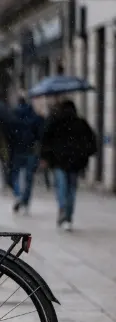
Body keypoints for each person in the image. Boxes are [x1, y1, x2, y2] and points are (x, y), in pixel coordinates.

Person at [40, 99, 97, 231]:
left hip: (59, 161)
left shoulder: (55, 121)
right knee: (71, 189)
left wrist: (46, 157)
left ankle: (62, 210)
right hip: (75, 162)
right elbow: (91, 141)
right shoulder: (80, 123)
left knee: (61, 187)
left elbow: (45, 139)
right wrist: (85, 154)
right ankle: (68, 216)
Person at [10, 96, 44, 213]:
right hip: (31, 150)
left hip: (17, 150)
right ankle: (25, 201)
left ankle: (18, 194)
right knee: (28, 178)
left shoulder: (14, 115)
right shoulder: (34, 116)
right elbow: (40, 134)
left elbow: (10, 133)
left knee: (16, 174)